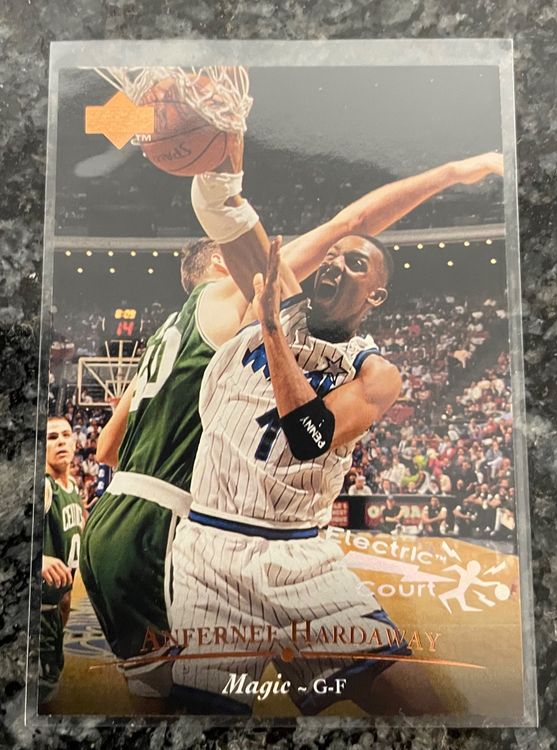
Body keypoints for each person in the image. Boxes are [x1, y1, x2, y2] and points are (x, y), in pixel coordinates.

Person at [80, 137, 504, 696]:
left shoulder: (169, 334)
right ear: (220, 262)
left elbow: (108, 449)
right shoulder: (233, 297)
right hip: (171, 529)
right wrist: (453, 171)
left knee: (175, 706)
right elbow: (347, 223)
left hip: (113, 522)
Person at [170, 235, 442, 716]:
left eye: (354, 263)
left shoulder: (375, 373)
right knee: (203, 724)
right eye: (330, 256)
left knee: (418, 706)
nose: (334, 264)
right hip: (210, 550)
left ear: (376, 294)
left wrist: (272, 328)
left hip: (299, 555)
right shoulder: (261, 309)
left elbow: (309, 435)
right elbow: (228, 221)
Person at [40, 416, 83, 705]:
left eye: (65, 435)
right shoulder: (43, 488)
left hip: (55, 611)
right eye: (52, 437)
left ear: (75, 442)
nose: (60, 442)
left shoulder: (73, 489)